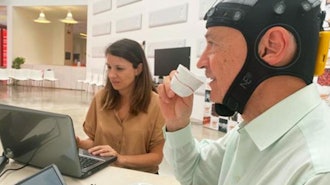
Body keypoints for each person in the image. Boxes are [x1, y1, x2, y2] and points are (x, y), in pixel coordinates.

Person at [157, 0, 330, 184]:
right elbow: (195, 175)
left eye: (213, 43)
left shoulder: (317, 173)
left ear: (272, 46)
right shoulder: (255, 128)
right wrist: (178, 123)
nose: (201, 62)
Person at [76, 38, 165, 174]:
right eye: (109, 67)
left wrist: (120, 159)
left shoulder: (157, 104)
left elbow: (156, 156)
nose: (112, 75)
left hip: (141, 178)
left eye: (119, 68)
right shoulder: (100, 98)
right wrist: (78, 143)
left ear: (138, 69)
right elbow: (96, 143)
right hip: (105, 174)